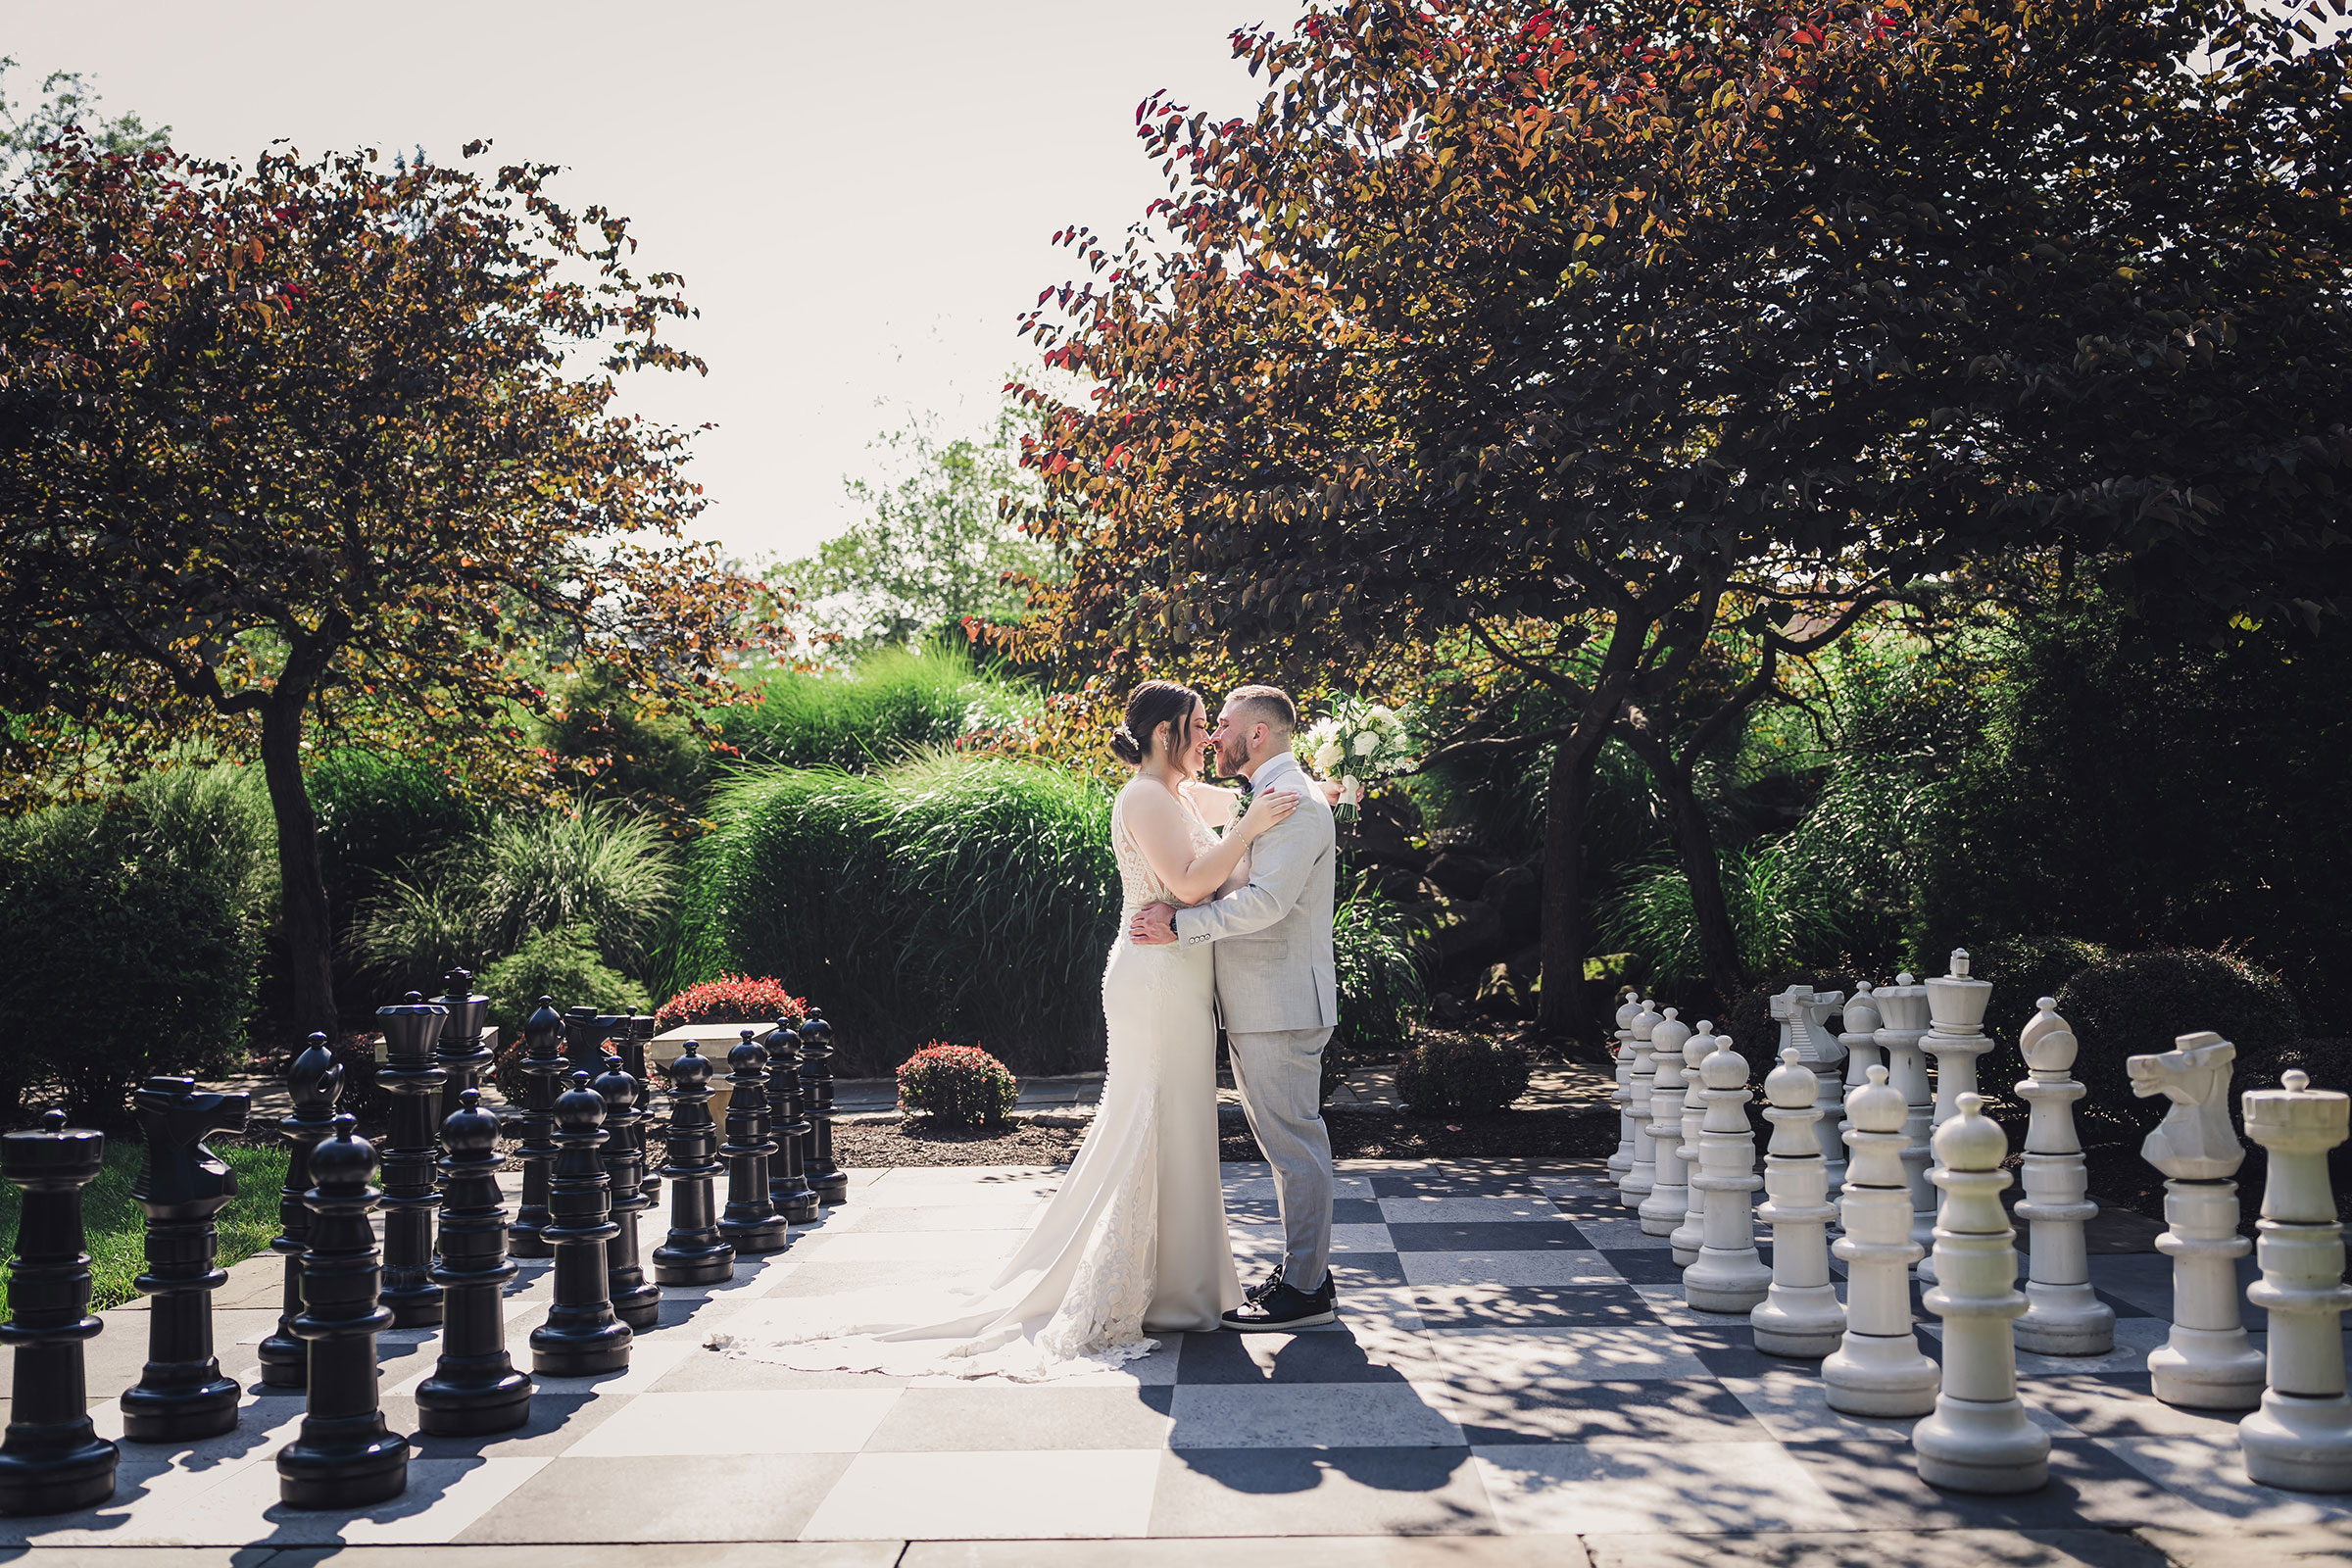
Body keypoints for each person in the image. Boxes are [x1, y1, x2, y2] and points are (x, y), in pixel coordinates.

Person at [705, 679, 1302, 1379]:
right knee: (1151, 1117)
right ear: (1167, 731)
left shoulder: (1168, 794)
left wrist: (1296, 799)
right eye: (1201, 725)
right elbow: (1193, 882)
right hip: (1157, 980)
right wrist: (1253, 827)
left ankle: (1174, 1281)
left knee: (1171, 1119)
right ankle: (1161, 1287)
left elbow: (1220, 819)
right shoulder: (1143, 796)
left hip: (1175, 974)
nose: (1210, 737)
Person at [1129, 683, 1342, 1330]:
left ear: (1257, 735)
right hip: (1261, 1002)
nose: (1212, 735)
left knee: (1294, 1146)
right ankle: (1306, 1272)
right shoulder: (1270, 797)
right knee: (1286, 1145)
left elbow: (1267, 903)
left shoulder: (1295, 804)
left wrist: (1181, 927)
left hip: (1278, 1003)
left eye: (1221, 725)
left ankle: (1306, 1291)